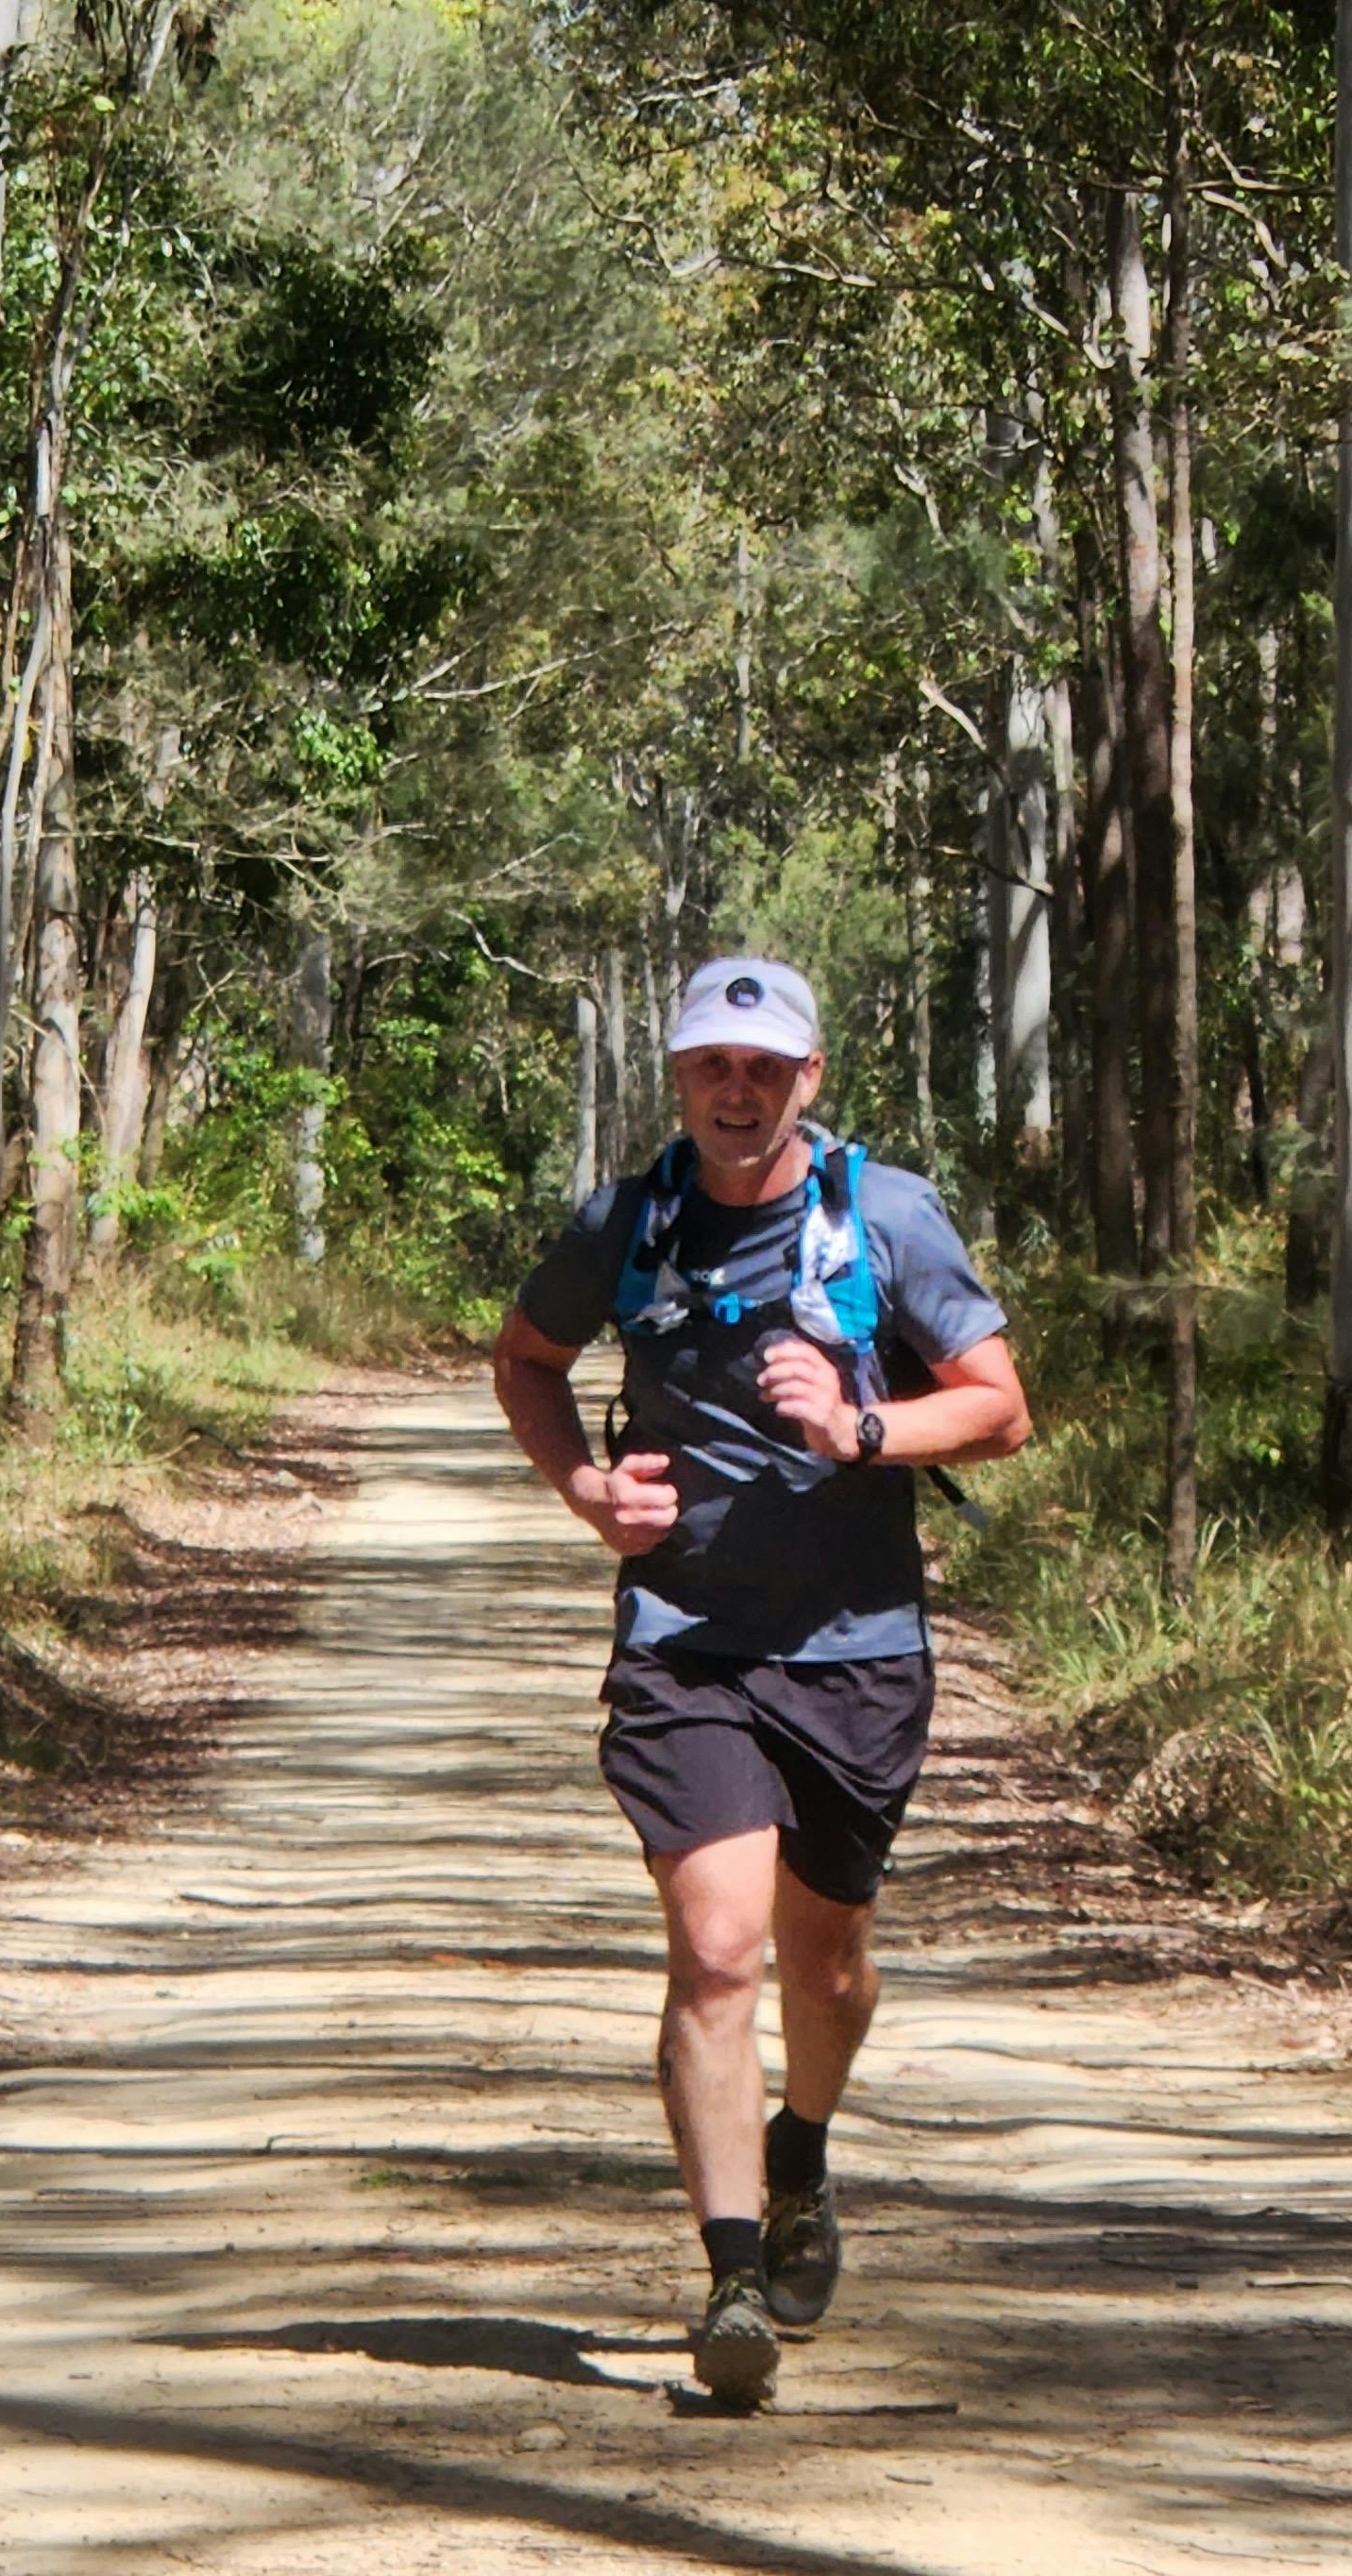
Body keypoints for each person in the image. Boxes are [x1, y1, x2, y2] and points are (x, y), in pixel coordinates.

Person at [492, 956, 1031, 2407]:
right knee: (719, 1949)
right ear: (679, 1080)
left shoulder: (887, 1218)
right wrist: (588, 1491)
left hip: (857, 1653)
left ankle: (801, 2151)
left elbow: (998, 1407)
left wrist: (865, 1426)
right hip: (685, 1644)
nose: (737, 1093)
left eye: (765, 1069)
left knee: (828, 1958)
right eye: (711, 1069)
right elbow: (527, 1360)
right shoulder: (626, 1222)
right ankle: (731, 2274)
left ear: (809, 1079)